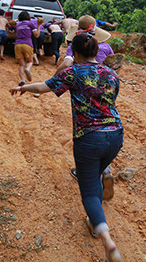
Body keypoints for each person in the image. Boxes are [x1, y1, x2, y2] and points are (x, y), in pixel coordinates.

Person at [9, 32, 123, 262]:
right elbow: (112, 101)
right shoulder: (111, 74)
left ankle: (107, 239)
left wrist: (22, 88)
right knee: (98, 173)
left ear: (76, 53)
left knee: (89, 189)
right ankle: (94, 221)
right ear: (95, 52)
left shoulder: (73, 72)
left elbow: (44, 87)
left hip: (88, 137)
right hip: (116, 135)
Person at [58, 15, 116, 200]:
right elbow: (114, 65)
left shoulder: (76, 44)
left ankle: (89, 175)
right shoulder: (105, 46)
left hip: (83, 95)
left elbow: (67, 63)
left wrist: (54, 77)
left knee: (87, 131)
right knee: (103, 125)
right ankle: (105, 170)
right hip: (105, 93)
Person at [14, 11, 40, 86]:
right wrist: (38, 25)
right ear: (28, 17)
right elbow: (37, 35)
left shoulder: (17, 24)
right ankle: (27, 69)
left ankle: (22, 80)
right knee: (30, 61)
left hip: (17, 44)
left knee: (21, 64)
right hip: (27, 44)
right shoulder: (30, 24)